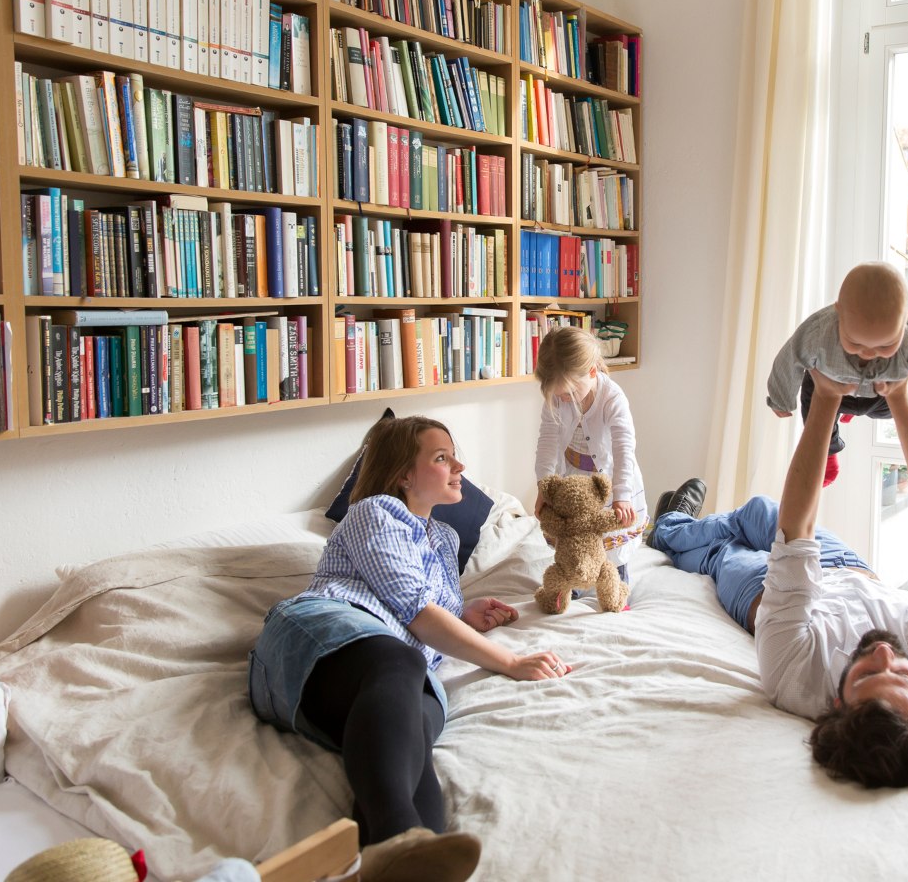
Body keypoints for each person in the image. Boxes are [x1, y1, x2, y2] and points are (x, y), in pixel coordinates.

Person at [248, 414, 570, 882]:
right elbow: (416, 611)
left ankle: (398, 861)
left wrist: (464, 613)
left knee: (420, 725)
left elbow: (422, 607)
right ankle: (399, 837)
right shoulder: (374, 511)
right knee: (398, 660)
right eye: (441, 457)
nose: (459, 465)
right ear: (402, 473)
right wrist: (512, 661)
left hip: (388, 673)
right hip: (317, 642)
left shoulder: (443, 539)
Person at [651, 373, 908, 788]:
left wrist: (825, 402)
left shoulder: (795, 679)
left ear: (837, 702)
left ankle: (668, 528)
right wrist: (902, 402)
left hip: (768, 594)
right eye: (907, 675)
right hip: (851, 572)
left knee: (718, 552)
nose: (887, 655)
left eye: (868, 675)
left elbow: (795, 533)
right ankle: (676, 525)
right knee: (761, 510)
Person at [766, 261, 908, 486]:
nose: (869, 353)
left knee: (894, 410)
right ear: (838, 312)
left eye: (885, 345)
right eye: (855, 342)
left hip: (882, 392)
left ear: (906, 319)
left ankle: (856, 409)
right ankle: (829, 452)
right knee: (813, 410)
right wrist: (780, 397)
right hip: (830, 387)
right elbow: (790, 358)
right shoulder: (818, 331)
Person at [533, 327, 647, 598]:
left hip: (604, 483)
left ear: (592, 373)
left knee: (610, 538)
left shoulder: (612, 399)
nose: (564, 400)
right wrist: (544, 485)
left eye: (569, 394)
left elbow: (623, 448)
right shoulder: (556, 398)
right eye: (559, 395)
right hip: (572, 479)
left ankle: (616, 585)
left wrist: (622, 495)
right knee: (572, 535)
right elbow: (547, 441)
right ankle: (569, 580)